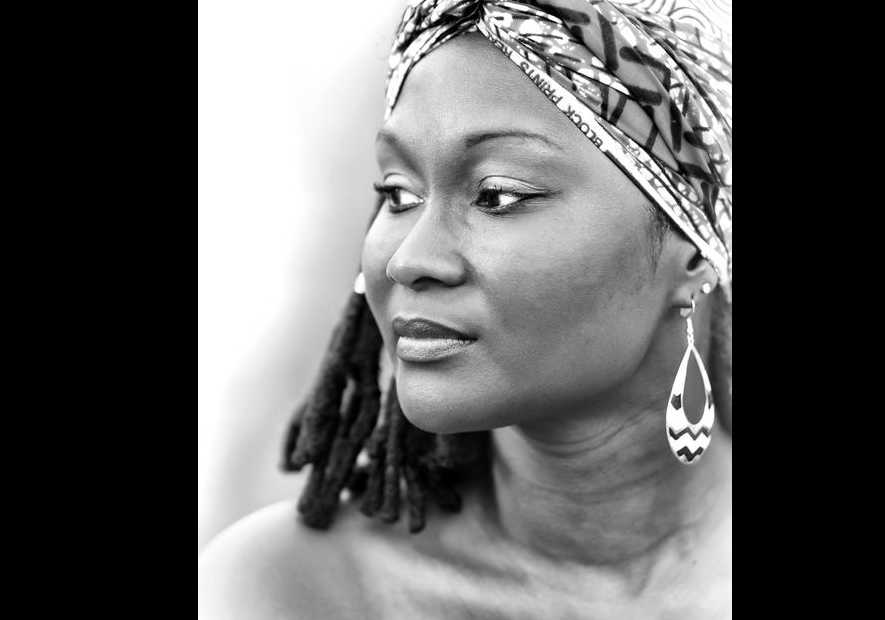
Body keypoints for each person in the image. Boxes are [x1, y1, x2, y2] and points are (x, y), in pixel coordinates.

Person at [199, 0, 732, 617]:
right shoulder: (283, 590)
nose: (408, 259)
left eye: (497, 195)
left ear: (693, 254)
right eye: (398, 194)